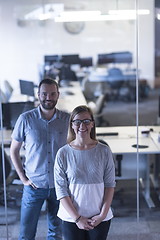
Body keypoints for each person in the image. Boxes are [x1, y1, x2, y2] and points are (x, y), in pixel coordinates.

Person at [10, 78, 70, 240]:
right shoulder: (25, 119)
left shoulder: (67, 120)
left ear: (58, 95)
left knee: (56, 232)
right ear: (38, 95)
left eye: (52, 94)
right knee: (26, 234)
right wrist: (23, 179)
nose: (48, 97)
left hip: (60, 186)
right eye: (44, 94)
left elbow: (74, 150)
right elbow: (13, 151)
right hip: (34, 185)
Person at [54, 105, 116, 240]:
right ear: (72, 125)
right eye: (77, 121)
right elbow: (61, 190)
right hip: (71, 217)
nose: (82, 125)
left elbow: (110, 185)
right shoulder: (63, 153)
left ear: (92, 124)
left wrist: (102, 215)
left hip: (99, 217)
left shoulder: (104, 151)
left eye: (86, 121)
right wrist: (77, 218)